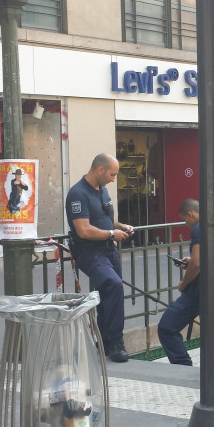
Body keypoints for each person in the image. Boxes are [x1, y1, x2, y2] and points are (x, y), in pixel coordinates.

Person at [66, 153, 136, 363]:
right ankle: (115, 343)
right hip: (89, 251)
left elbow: (104, 219)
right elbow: (84, 230)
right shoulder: (77, 193)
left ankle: (105, 342)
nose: (113, 180)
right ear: (100, 169)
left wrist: (120, 226)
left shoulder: (102, 190)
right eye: (112, 175)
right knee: (113, 284)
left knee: (111, 292)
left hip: (108, 249)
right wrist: (112, 234)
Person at [157, 199, 201, 366]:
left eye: (185, 220)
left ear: (191, 214)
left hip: (198, 290)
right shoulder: (212, 225)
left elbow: (197, 264)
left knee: (166, 328)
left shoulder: (198, 229)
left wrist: (183, 283)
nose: (186, 225)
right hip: (213, 288)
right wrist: (191, 262)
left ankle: (183, 367)